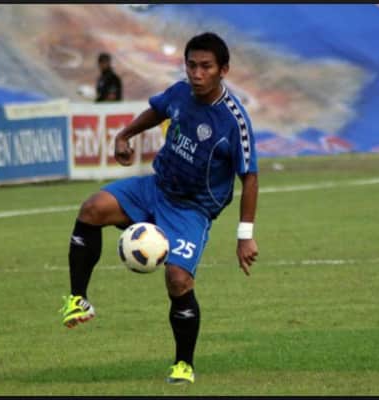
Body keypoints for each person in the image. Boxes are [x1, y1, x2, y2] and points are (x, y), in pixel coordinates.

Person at [59, 32, 259, 384]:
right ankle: (78, 299)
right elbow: (158, 110)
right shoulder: (180, 92)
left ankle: (184, 365)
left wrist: (245, 235)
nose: (196, 73)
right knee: (92, 208)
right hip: (155, 188)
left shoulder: (234, 121)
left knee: (178, 280)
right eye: (191, 65)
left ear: (223, 70)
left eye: (206, 67)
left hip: (191, 209)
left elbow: (250, 177)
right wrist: (125, 135)